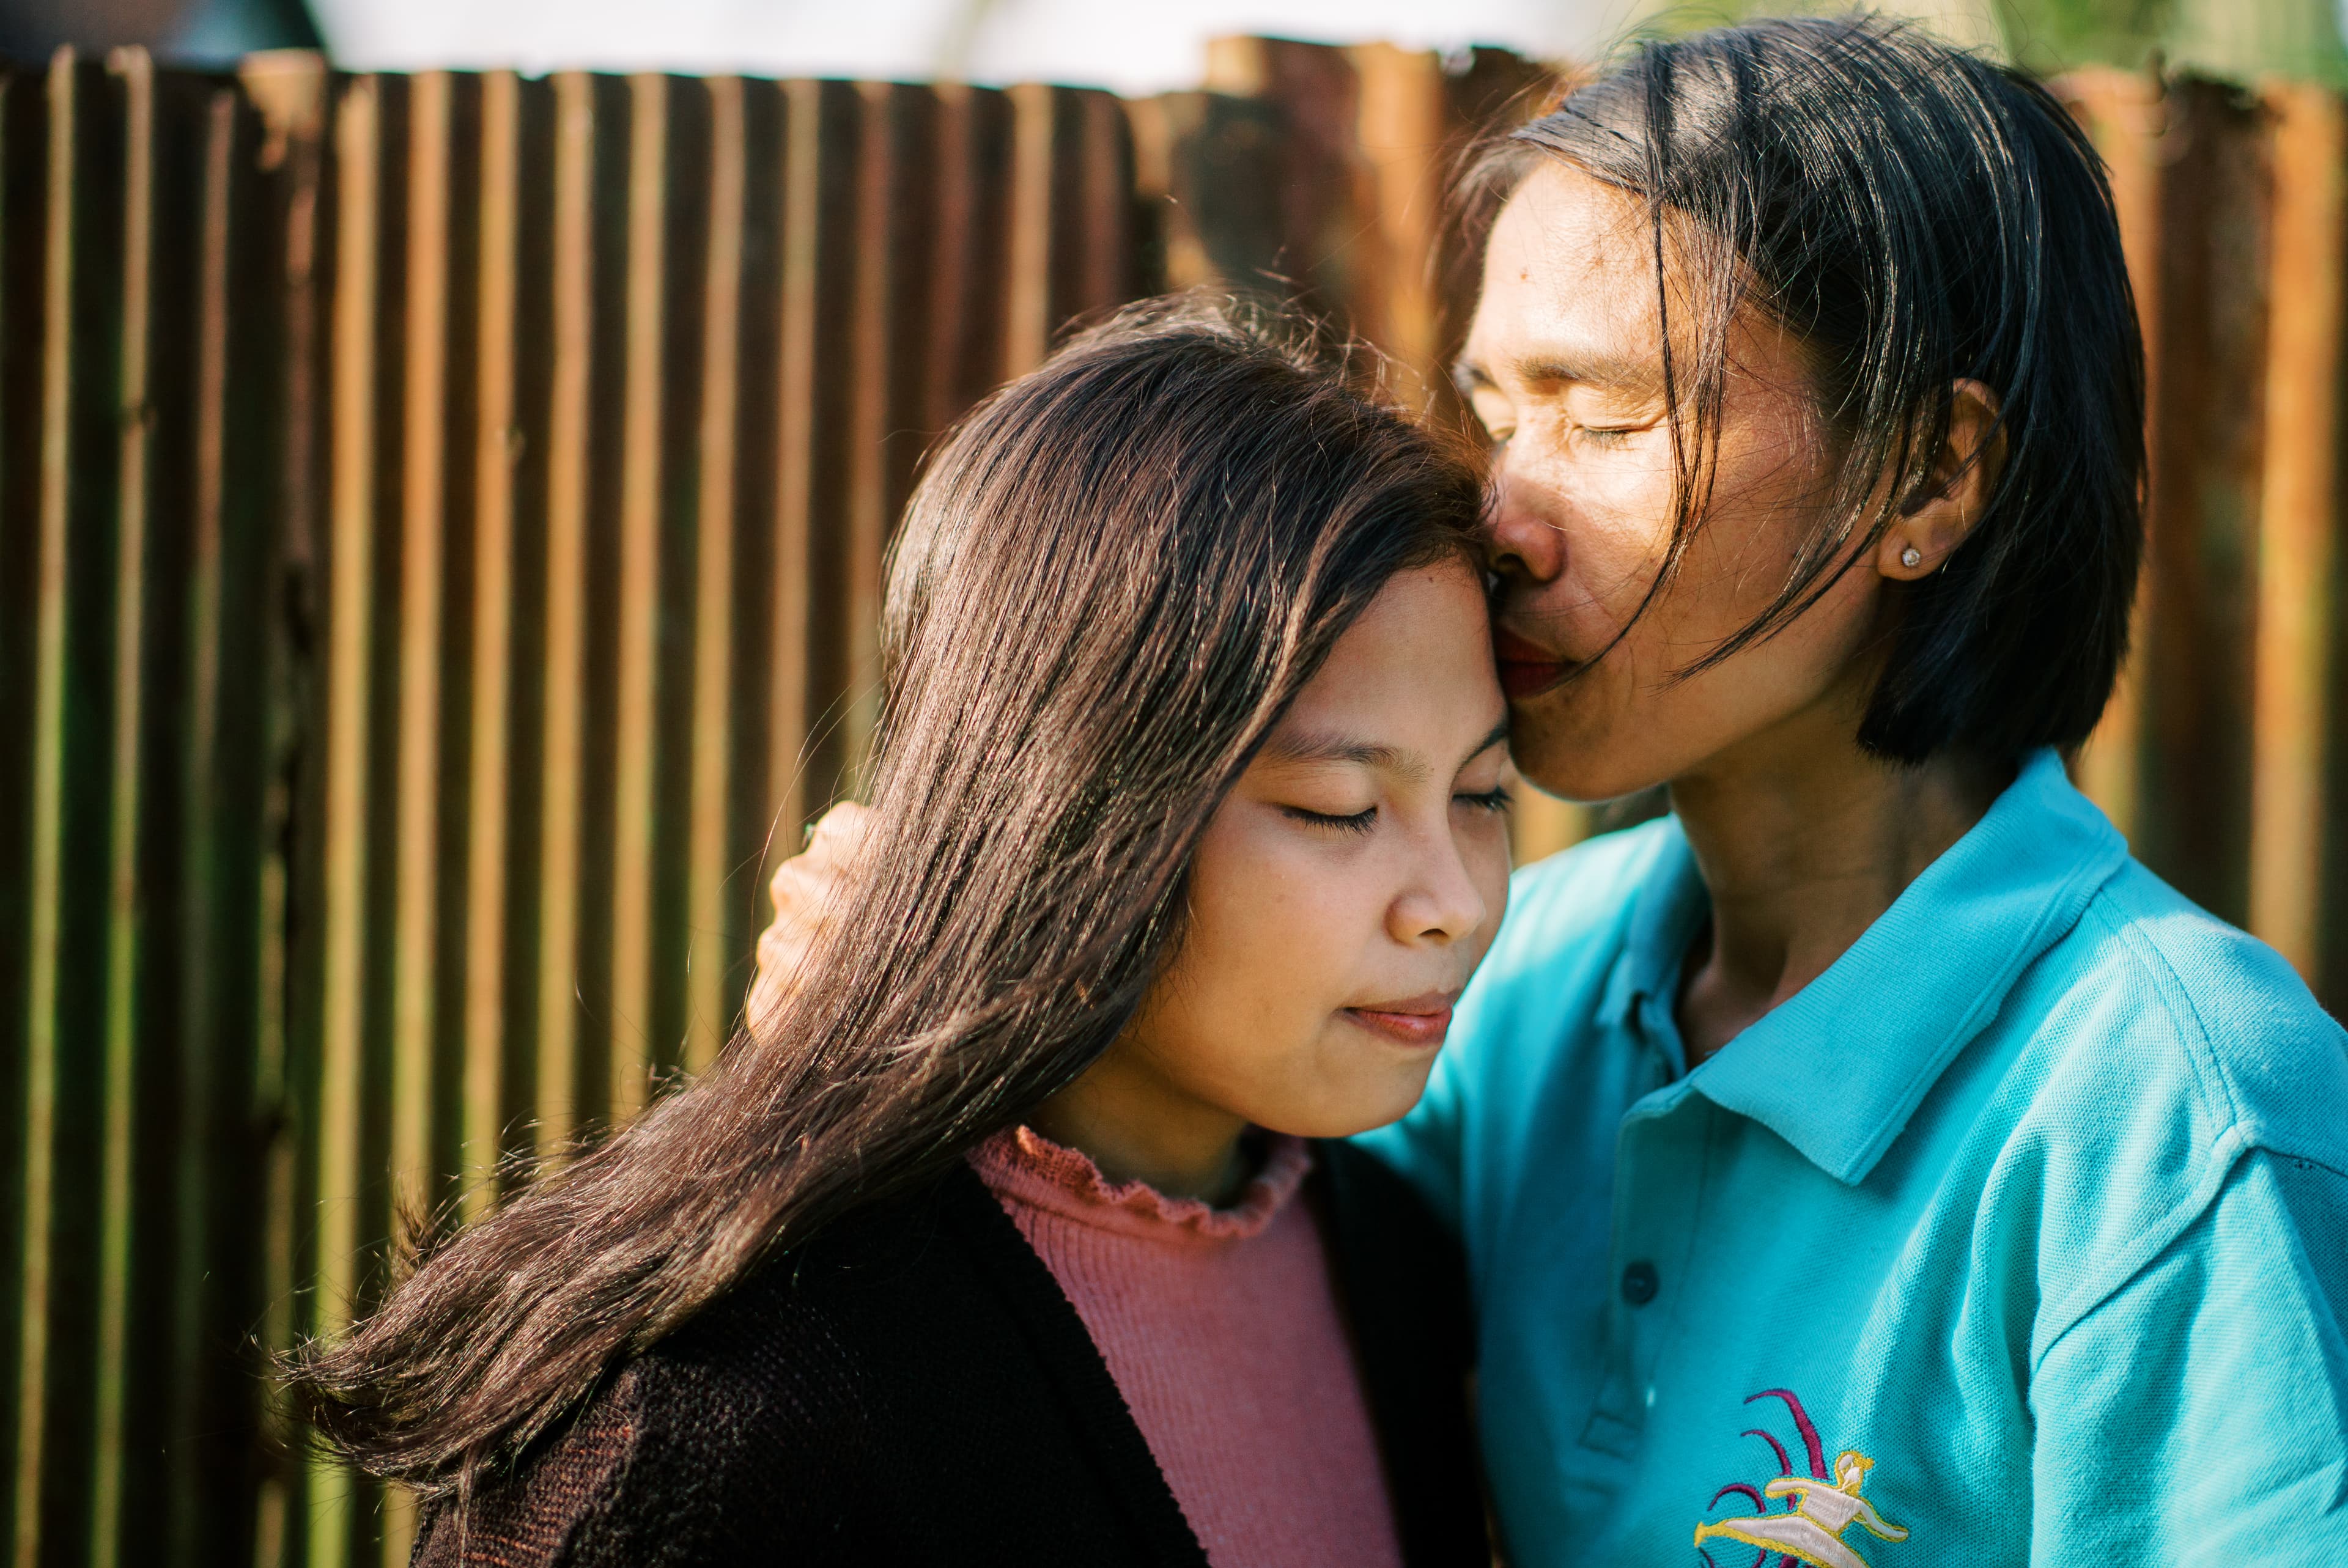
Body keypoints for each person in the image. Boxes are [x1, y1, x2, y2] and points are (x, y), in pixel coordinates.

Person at [763, 17, 2348, 1563]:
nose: (1501, 517)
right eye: (1495, 412)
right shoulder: (1511, 989)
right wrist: (940, 1006)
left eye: (1603, 415)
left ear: (1928, 474)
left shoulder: (2181, 1122)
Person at [285, 298, 1507, 1567]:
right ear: (1073, 804)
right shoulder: (712, 1417)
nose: (1457, 899)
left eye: (1484, 795)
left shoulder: (1399, 1267)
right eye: (1340, 808)